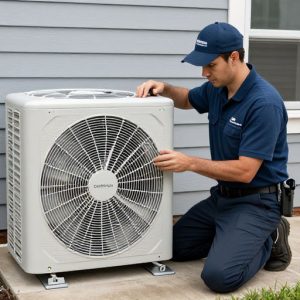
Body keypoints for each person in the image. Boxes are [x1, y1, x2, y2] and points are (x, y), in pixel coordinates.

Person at [136, 22, 292, 293]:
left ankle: (271, 236)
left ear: (234, 57)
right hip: (223, 198)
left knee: (220, 277)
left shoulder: (263, 103)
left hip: (257, 202)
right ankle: (233, 236)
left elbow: (245, 171)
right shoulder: (217, 89)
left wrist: (190, 163)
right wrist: (164, 87)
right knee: (169, 248)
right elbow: (187, 99)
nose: (204, 72)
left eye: (211, 65)